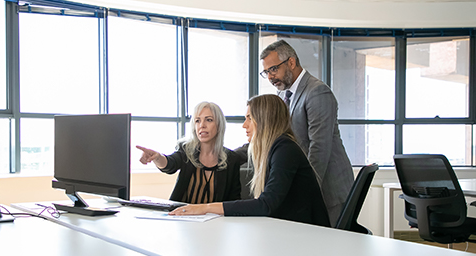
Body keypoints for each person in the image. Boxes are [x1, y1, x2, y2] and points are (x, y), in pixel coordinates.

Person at [170, 94, 331, 227]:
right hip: (289, 231)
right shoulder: (273, 149)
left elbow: (266, 204)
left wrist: (204, 208)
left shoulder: (285, 149)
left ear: (264, 119)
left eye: (249, 118)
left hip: (309, 237)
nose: (244, 125)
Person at [257, 39, 354, 227]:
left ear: (291, 62)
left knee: (331, 249)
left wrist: (305, 193)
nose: (270, 77)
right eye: (266, 72)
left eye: (273, 69)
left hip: (329, 190)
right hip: (310, 188)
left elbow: (319, 148)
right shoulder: (283, 95)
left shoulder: (317, 92)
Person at [137, 101, 241, 204]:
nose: (202, 125)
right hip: (182, 217)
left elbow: (234, 202)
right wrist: (157, 157)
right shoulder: (186, 150)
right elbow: (170, 164)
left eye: (209, 120)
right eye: (197, 121)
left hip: (216, 219)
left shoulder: (232, 159)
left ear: (219, 125)